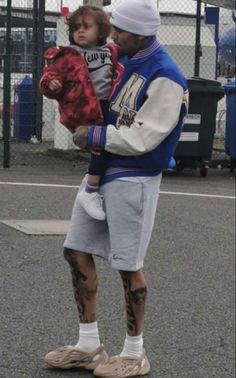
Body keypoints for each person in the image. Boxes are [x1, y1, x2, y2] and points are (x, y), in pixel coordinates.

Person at [44, 0, 189, 377]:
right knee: (75, 251)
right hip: (105, 168)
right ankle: (89, 346)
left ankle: (135, 352)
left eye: (119, 31)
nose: (112, 36)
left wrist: (92, 134)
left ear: (139, 33)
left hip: (135, 176)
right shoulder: (123, 58)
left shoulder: (165, 74)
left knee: (129, 265)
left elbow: (145, 136)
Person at [39, 5, 117, 221]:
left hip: (108, 105)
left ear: (101, 31)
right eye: (76, 28)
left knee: (113, 143)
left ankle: (99, 186)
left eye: (86, 27)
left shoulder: (111, 51)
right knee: (99, 148)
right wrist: (51, 84)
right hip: (85, 110)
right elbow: (48, 76)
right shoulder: (67, 55)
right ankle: (90, 191)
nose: (80, 32)